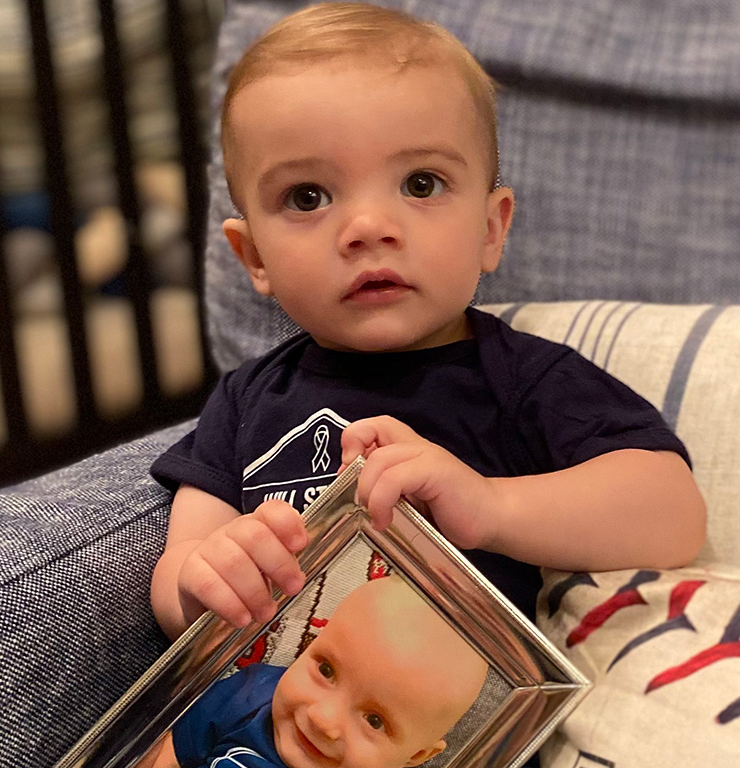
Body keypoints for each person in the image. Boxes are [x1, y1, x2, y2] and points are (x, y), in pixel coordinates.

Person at [149, 2, 705, 644]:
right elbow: (178, 573)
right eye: (307, 197)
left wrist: (492, 507)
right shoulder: (245, 400)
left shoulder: (523, 380)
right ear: (254, 258)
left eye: (420, 184)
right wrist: (201, 581)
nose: (368, 229)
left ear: (491, 230)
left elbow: (674, 515)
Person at [139, 576, 489, 768]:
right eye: (326, 670)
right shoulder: (251, 695)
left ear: (415, 757)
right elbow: (169, 754)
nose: (323, 719)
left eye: (374, 721)